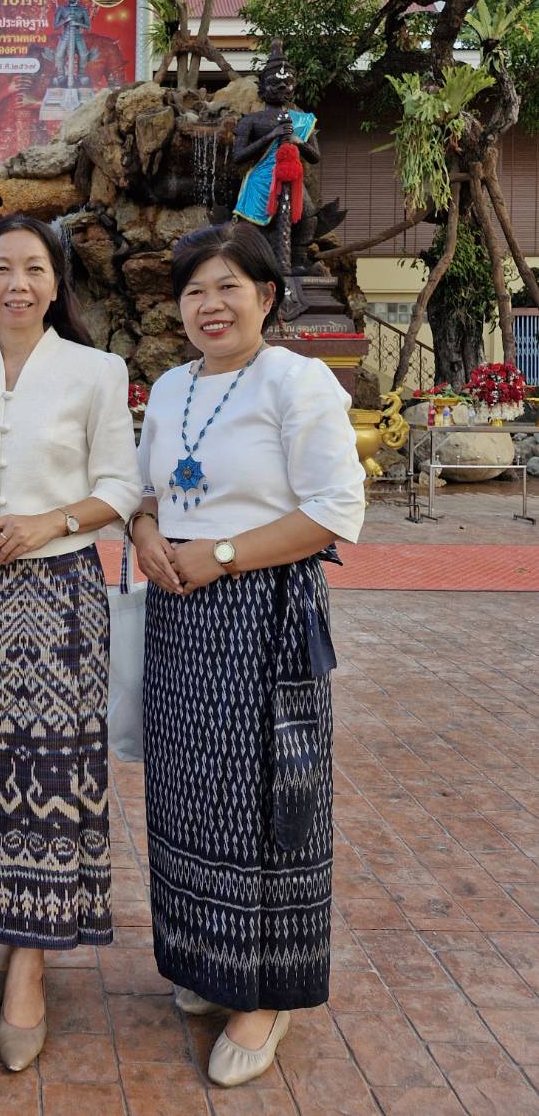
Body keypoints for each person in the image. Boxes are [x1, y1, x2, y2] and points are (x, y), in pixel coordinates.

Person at [128, 222, 365, 1090]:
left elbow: (336, 508)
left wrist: (220, 554)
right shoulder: (171, 388)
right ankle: (209, 960)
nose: (210, 304)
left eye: (229, 286)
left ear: (266, 297)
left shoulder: (296, 381)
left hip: (261, 611)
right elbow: (150, 485)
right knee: (188, 791)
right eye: (195, 289)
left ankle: (264, 993)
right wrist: (148, 527)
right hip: (178, 616)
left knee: (268, 800)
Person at [0, 213, 141, 1072]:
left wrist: (49, 519)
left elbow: (120, 486)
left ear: (57, 284)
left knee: (49, 772)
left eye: (34, 269)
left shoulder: (95, 370)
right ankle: (1, 928)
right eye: (2, 267)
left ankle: (31, 964)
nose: (17, 283)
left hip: (61, 597)